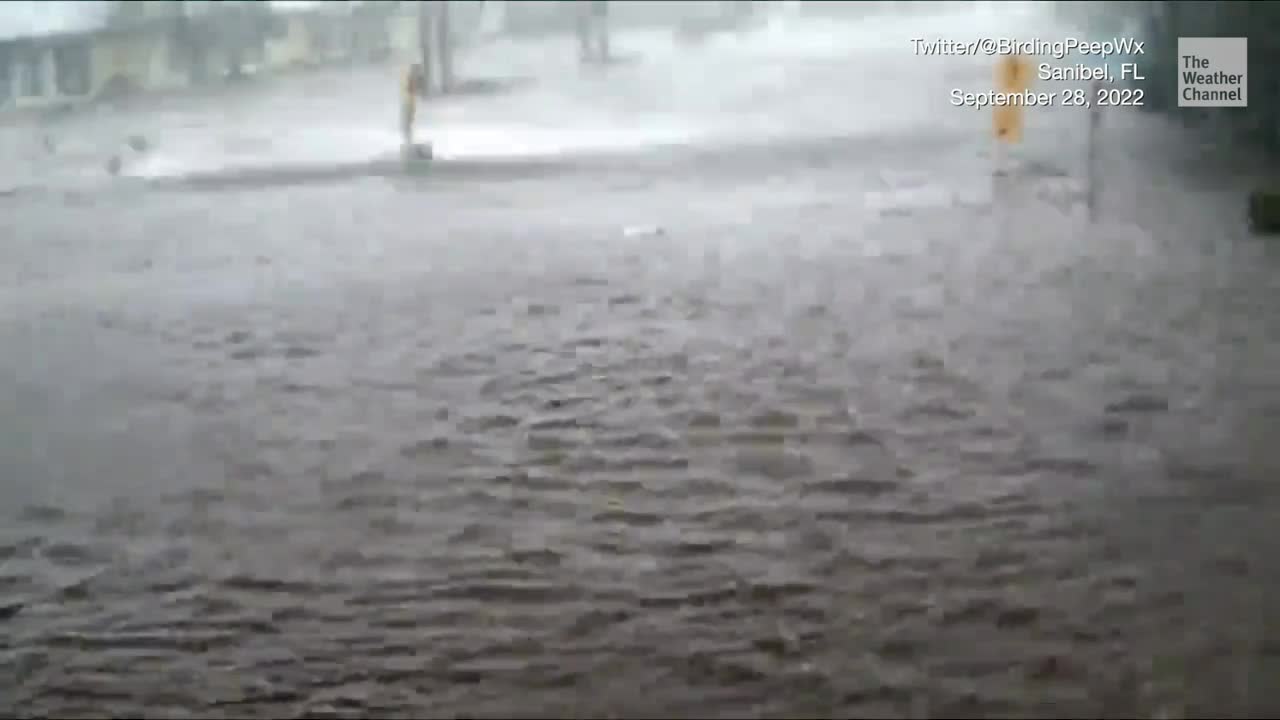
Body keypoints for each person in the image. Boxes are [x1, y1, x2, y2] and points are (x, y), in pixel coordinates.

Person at [400, 63, 424, 152]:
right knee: (408, 120)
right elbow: (411, 89)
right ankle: (408, 138)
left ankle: (409, 139)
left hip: (411, 100)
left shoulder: (415, 78)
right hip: (410, 100)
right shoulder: (413, 78)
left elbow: (413, 89)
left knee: (408, 120)